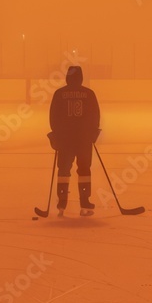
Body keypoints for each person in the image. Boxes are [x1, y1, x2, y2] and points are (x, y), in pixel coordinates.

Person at [48, 65, 101, 215]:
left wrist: (56, 134)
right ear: (81, 77)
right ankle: (85, 200)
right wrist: (92, 133)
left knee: (64, 170)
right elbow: (95, 115)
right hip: (83, 139)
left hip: (65, 139)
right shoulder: (89, 93)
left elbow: (53, 116)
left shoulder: (59, 94)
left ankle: (62, 202)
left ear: (67, 77)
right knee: (84, 170)